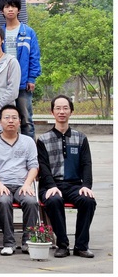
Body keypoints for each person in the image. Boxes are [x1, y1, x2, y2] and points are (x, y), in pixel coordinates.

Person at [36, 95, 97, 258]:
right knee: (54, 200)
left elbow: (86, 164)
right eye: (58, 108)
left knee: (88, 201)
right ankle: (62, 244)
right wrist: (51, 186)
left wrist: (86, 186)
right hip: (51, 185)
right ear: (52, 112)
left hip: (75, 185)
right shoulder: (43, 139)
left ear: (71, 111)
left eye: (65, 108)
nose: (61, 111)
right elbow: (43, 167)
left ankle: (81, 246)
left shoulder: (81, 138)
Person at [0, 104, 39, 256]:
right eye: (7, 117)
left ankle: (28, 242)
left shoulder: (28, 141)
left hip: (22, 184)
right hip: (1, 184)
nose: (11, 121)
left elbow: (33, 166)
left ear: (20, 121)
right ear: (0, 121)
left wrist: (27, 184)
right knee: (3, 201)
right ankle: (9, 243)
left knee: (31, 201)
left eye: (14, 118)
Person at [0, 0, 41, 139]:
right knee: (4, 118)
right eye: (7, 7)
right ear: (2, 11)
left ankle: (30, 149)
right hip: (4, 83)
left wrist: (31, 78)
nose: (10, 9)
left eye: (13, 6)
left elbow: (34, 56)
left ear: (19, 9)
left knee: (26, 119)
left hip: (23, 83)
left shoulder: (28, 32)